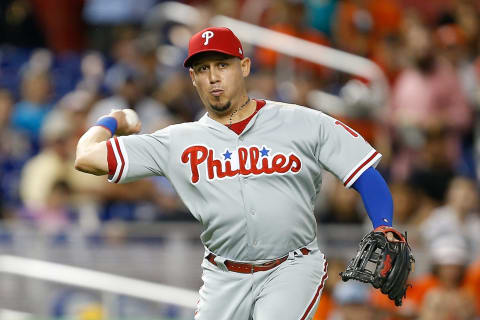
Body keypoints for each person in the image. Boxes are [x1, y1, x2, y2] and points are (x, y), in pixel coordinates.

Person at [75, 27, 400, 320]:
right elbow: (87, 156)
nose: (213, 76)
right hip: (223, 276)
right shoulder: (176, 140)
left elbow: (364, 174)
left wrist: (384, 225)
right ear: (193, 78)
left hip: (292, 267)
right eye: (203, 68)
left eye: (222, 64)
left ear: (243, 67)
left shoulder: (302, 122)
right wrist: (113, 119)